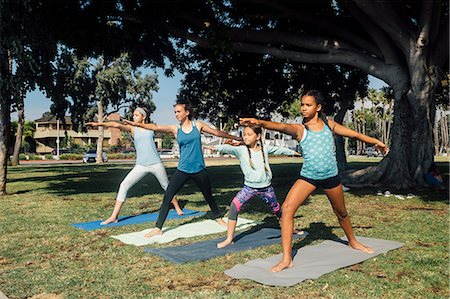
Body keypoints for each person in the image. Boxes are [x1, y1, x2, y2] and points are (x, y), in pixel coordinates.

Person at [240, 90, 389, 272]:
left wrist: (375, 142)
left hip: (331, 176)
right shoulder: (300, 129)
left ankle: (353, 241)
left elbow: (354, 135)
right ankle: (287, 258)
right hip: (308, 177)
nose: (303, 108)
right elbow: (280, 126)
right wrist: (261, 123)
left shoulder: (329, 125)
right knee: (287, 209)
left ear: (318, 107)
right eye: (302, 104)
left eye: (308, 105)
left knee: (341, 212)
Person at [124, 99, 242, 237]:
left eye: (178, 111)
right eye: (175, 112)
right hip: (183, 169)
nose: (176, 114)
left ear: (187, 112)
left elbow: (217, 133)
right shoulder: (175, 129)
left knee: (208, 195)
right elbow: (155, 128)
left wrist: (236, 139)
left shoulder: (198, 125)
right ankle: (158, 228)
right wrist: (135, 124)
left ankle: (218, 217)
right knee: (168, 196)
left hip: (199, 169)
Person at [206, 125, 301, 248]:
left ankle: (291, 229)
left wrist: (293, 152)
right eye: (244, 134)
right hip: (248, 188)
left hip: (266, 189)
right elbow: (226, 148)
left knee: (277, 211)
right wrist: (212, 147)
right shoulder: (241, 150)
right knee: (234, 206)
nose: (246, 137)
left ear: (258, 136)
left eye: (249, 134)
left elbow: (279, 150)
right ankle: (229, 238)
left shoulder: (264, 149)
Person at [86, 107, 183, 225]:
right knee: (124, 185)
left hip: (156, 163)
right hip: (141, 165)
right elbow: (116, 125)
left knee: (166, 186)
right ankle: (114, 216)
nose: (134, 117)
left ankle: (177, 208)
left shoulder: (151, 127)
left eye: (136, 115)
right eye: (133, 115)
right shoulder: (133, 129)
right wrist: (98, 124)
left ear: (144, 117)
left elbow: (168, 129)